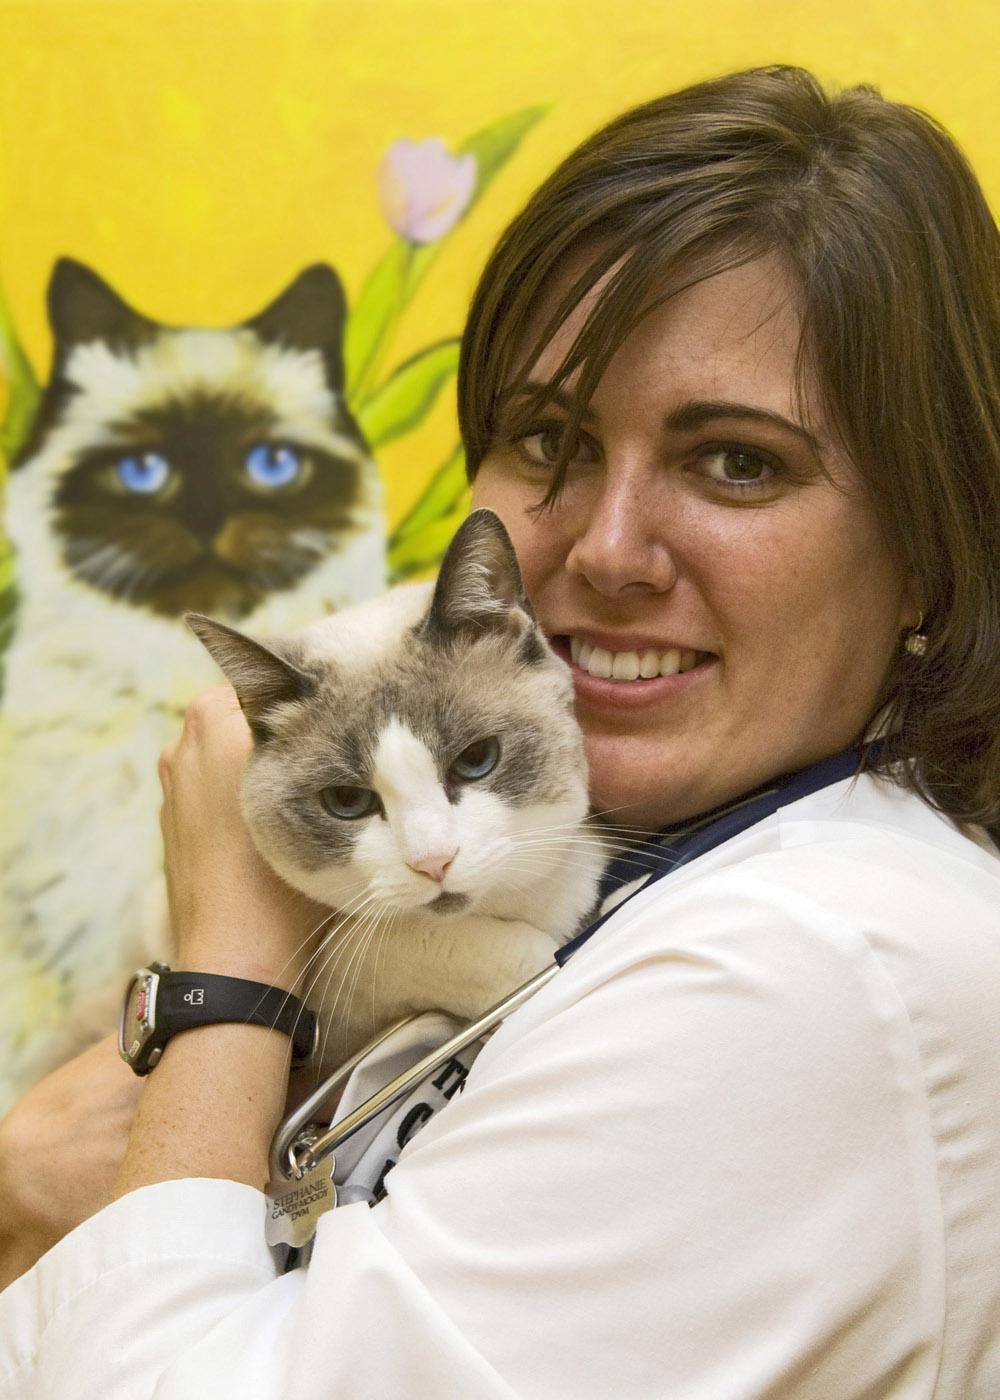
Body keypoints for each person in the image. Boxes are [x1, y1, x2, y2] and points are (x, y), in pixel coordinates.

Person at [2, 64, 999, 1398]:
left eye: (736, 461)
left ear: (934, 549)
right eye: (547, 438)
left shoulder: (818, 966)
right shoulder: (655, 859)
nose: (606, 548)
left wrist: (230, 967)